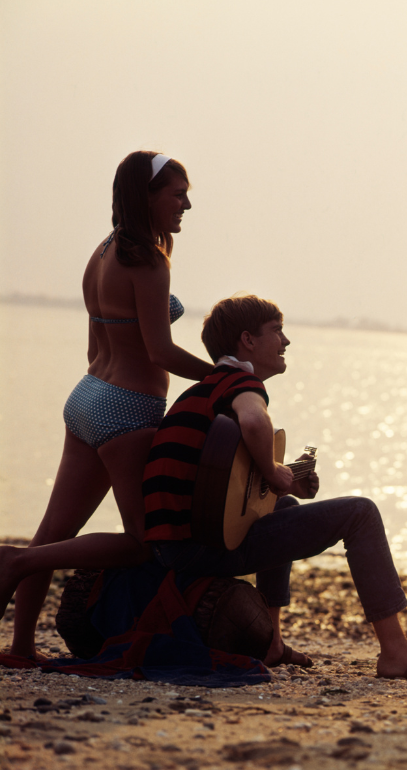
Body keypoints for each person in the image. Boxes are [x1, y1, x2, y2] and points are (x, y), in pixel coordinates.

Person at [141, 293, 407, 679]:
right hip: (198, 552)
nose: (286, 341)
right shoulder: (242, 383)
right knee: (361, 514)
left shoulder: (202, 390)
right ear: (248, 340)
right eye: (277, 331)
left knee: (285, 506)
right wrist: (275, 472)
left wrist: (278, 485)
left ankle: (271, 642)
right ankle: (395, 651)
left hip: (172, 548)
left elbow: (216, 488)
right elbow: (256, 424)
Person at [0, 152, 214, 658]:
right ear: (147, 195)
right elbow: (160, 351)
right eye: (177, 193)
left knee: (53, 531)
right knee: (141, 541)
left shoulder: (104, 252)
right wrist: (221, 375)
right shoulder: (149, 263)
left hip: (88, 394)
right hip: (128, 410)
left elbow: (101, 341)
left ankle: (22, 645)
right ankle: (17, 564)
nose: (187, 204)